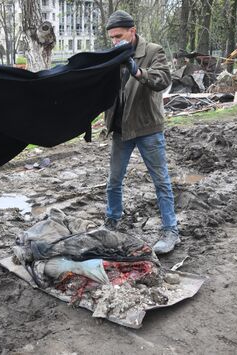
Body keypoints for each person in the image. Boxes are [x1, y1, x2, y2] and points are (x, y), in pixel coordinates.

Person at [102, 10, 179, 254]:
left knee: (161, 182)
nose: (115, 41)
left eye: (119, 36)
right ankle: (112, 221)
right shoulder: (113, 54)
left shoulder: (153, 51)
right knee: (114, 182)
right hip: (121, 130)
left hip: (147, 128)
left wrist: (137, 71)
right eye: (112, 38)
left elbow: (163, 80)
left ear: (132, 31)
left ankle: (171, 231)